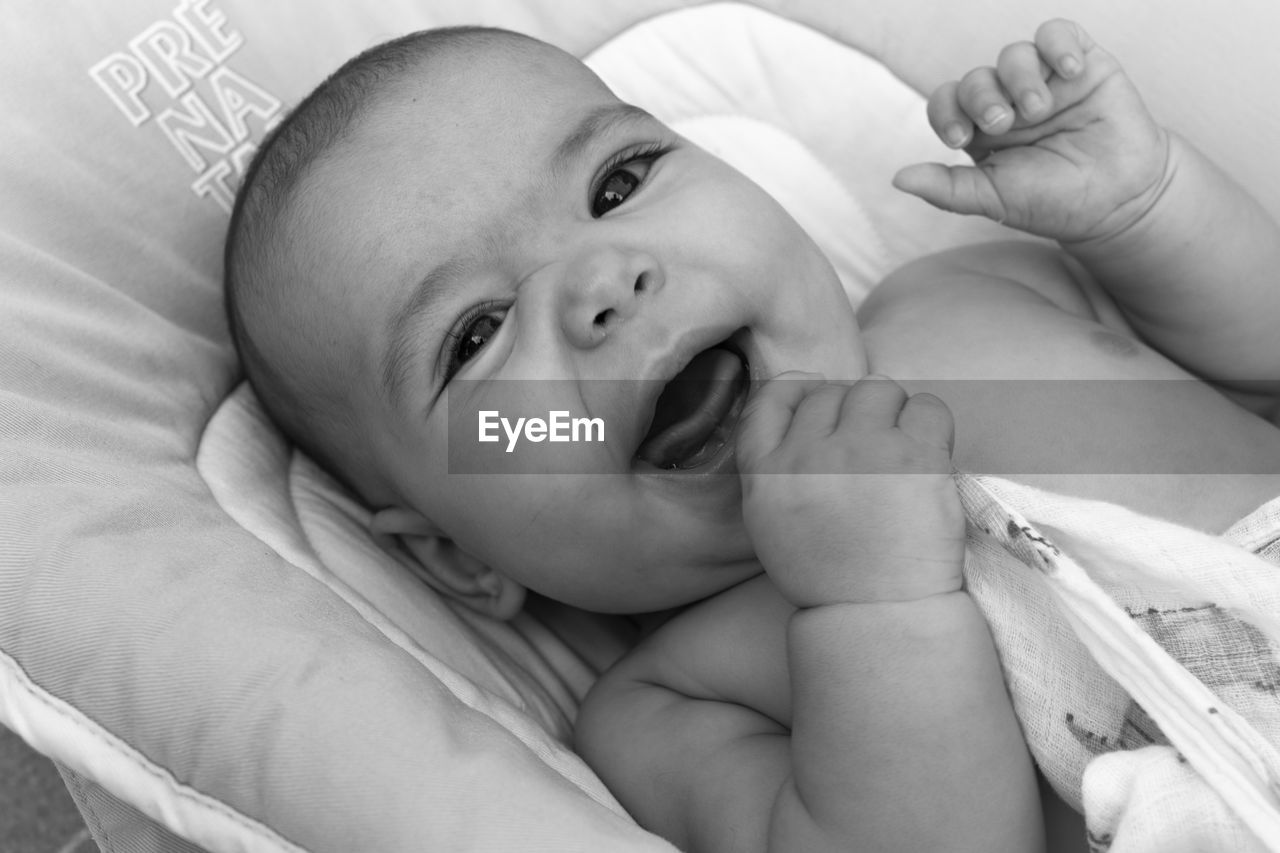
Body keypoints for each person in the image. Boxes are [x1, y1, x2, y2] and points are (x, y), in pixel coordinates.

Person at [223, 18, 1280, 853]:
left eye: (617, 184)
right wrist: (873, 604)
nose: (602, 283)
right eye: (476, 333)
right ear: (457, 556)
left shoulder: (969, 295)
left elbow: (1260, 377)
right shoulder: (672, 705)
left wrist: (1148, 211)